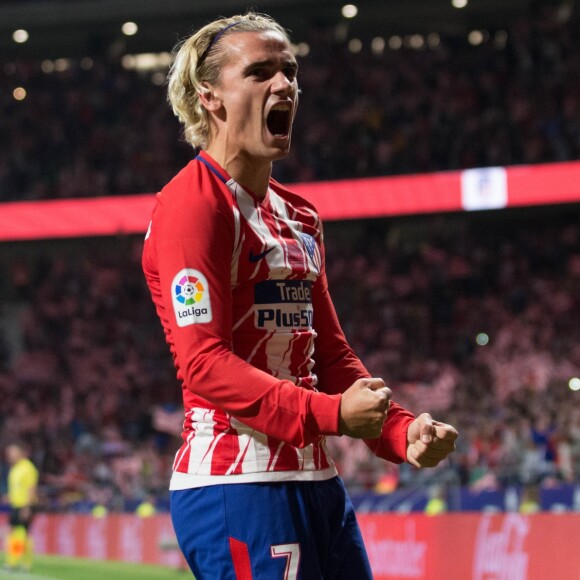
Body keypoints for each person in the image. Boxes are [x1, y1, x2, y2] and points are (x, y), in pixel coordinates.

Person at [142, 11, 458, 578]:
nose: (285, 84)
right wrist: (333, 414)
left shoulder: (300, 216)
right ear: (208, 96)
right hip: (236, 484)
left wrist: (398, 429)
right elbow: (204, 364)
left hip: (316, 477)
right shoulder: (192, 206)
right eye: (260, 72)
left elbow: (328, 355)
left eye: (289, 71)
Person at [3, 442, 39, 572]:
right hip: (15, 505)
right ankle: (21, 562)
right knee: (19, 534)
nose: (10, 456)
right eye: (9, 454)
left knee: (20, 534)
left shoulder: (28, 468)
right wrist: (8, 496)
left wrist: (27, 507)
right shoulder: (15, 469)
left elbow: (31, 489)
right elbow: (17, 488)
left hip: (24, 505)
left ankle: (17, 561)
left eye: (13, 453)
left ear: (21, 453)